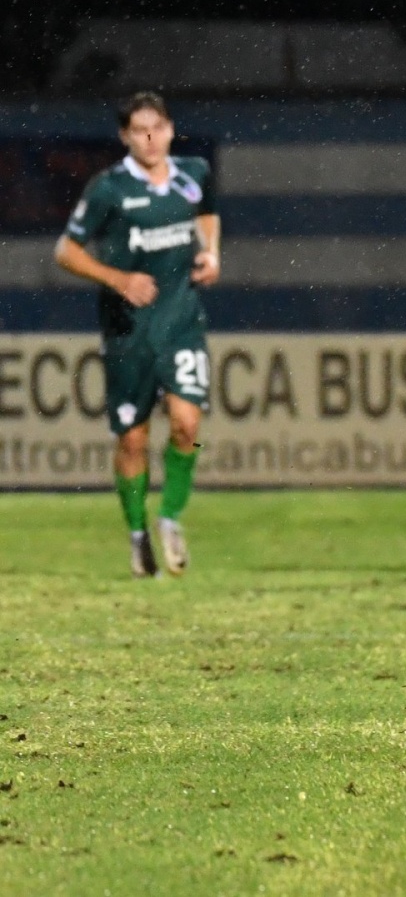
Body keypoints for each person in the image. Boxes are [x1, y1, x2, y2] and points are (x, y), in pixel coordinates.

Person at [54, 91, 220, 578]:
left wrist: (211, 253)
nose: (151, 138)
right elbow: (66, 251)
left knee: (188, 425)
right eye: (139, 130)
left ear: (170, 129)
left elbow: (207, 212)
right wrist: (118, 279)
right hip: (129, 331)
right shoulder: (109, 189)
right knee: (132, 440)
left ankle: (169, 516)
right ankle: (136, 531)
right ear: (126, 136)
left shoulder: (194, 175)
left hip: (182, 322)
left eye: (159, 127)